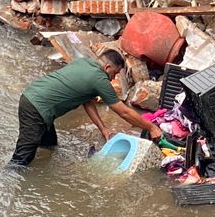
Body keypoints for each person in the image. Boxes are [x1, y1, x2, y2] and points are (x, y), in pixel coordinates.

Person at [10, 48, 158, 167]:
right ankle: (9, 183)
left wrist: (103, 129)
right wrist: (151, 127)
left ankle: (43, 168)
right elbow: (123, 112)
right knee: (21, 160)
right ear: (107, 67)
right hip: (36, 109)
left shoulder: (82, 62)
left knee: (49, 145)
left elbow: (87, 101)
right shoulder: (99, 79)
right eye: (114, 74)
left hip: (34, 100)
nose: (113, 79)